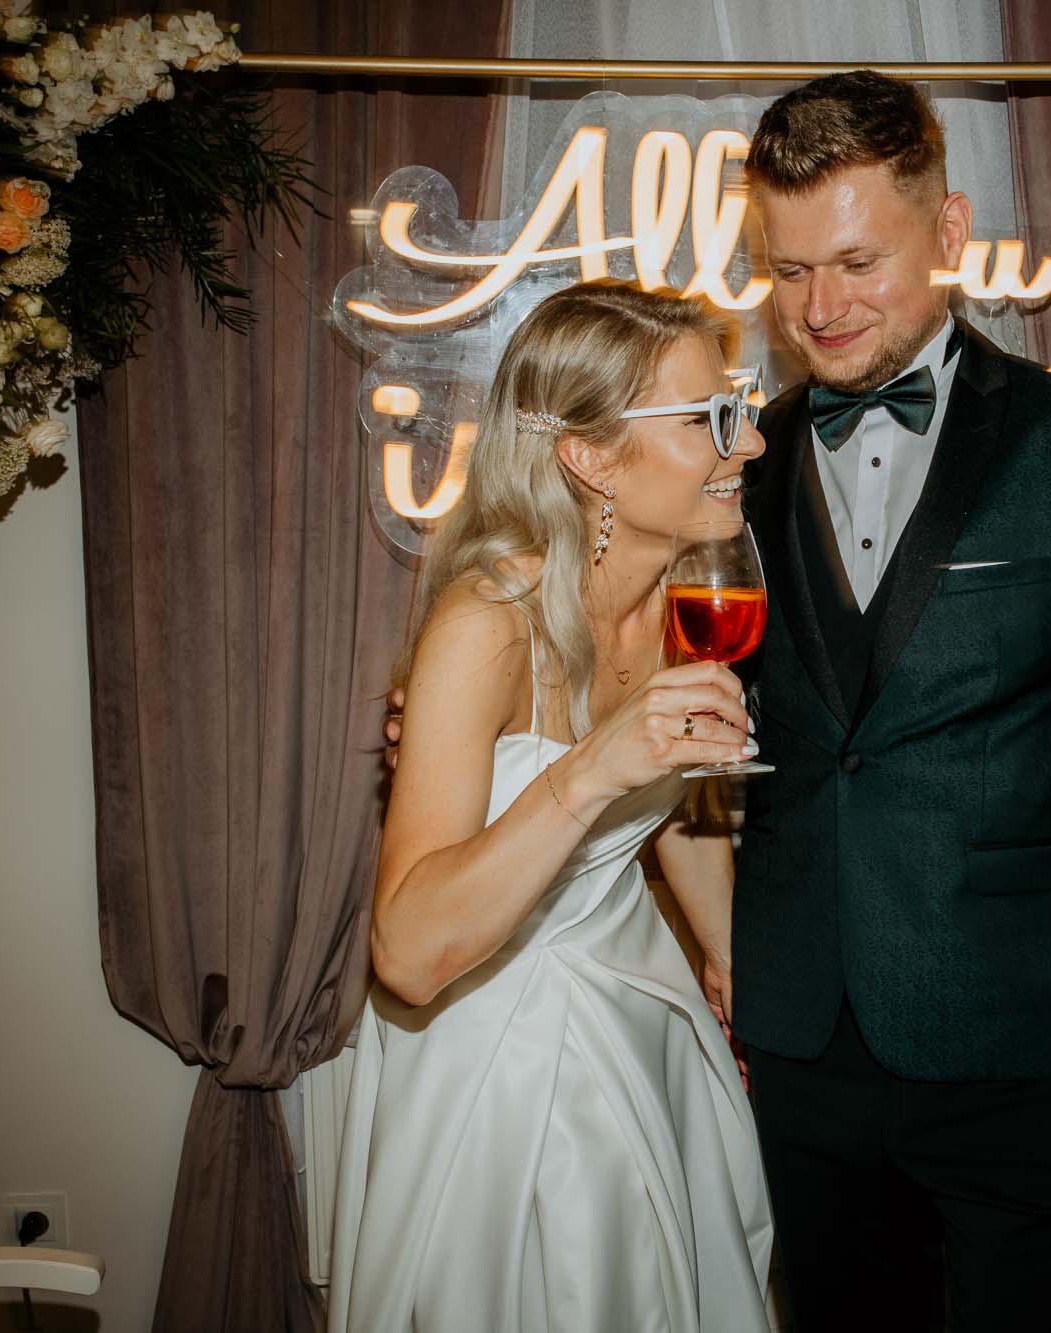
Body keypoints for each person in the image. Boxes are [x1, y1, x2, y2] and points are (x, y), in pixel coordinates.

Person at [726, 71, 1051, 1331]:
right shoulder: (743, 461)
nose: (820, 310)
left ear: (948, 230)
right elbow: (692, 701)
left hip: (1036, 1056)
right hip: (804, 1050)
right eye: (788, 272)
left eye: (857, 263)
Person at [332, 280, 775, 1333]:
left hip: (646, 1008)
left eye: (741, 408)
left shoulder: (686, 603)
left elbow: (675, 806)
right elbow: (408, 954)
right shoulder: (486, 624)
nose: (750, 442)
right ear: (591, 458)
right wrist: (588, 771)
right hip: (500, 1048)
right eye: (709, 419)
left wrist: (729, 967)